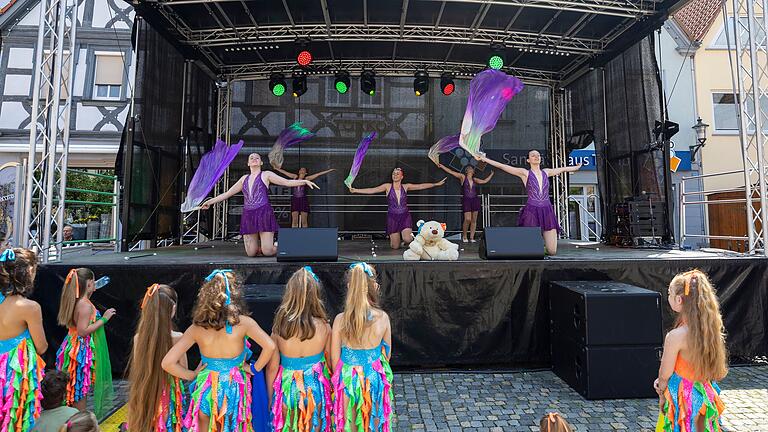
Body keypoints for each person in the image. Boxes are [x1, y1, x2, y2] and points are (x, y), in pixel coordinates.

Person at [161, 269, 276, 432]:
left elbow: (167, 363)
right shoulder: (244, 323)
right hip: (232, 391)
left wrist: (192, 375)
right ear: (234, 296)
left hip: (206, 391)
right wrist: (253, 369)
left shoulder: (196, 328)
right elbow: (270, 346)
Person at [201, 153, 319, 257]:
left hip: (263, 213)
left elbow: (286, 182)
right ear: (248, 163)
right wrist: (209, 202)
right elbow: (227, 194)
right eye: (251, 158)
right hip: (249, 216)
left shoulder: (266, 174)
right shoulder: (243, 179)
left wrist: (304, 181)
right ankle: (260, 247)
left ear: (261, 162)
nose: (254, 159)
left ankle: (287, 246)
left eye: (257, 157)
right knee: (251, 253)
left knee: (267, 251)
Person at [655, 269, 728, 432]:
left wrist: (661, 389)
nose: (668, 297)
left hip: (683, 398)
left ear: (679, 300)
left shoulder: (675, 336)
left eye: (669, 293)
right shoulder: (710, 330)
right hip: (704, 395)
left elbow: (664, 373)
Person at [266, 266, 332, 432]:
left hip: (287, 389)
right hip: (314, 388)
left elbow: (272, 368)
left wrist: (269, 398)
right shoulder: (324, 327)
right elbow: (331, 363)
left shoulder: (279, 327)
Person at [477, 150, 581, 255]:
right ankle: (537, 249)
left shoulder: (546, 172)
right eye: (533, 155)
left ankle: (543, 249)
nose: (536, 157)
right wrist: (484, 159)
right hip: (532, 210)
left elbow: (562, 169)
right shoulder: (525, 173)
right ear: (528, 160)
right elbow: (502, 166)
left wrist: (575, 168)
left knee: (552, 251)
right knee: (531, 248)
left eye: (538, 155)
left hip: (547, 210)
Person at [331, 262, 393, 431]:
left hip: (348, 381)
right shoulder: (383, 318)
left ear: (350, 286)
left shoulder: (339, 320)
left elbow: (335, 360)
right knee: (373, 425)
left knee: (349, 425)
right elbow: (386, 355)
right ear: (374, 287)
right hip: (373, 380)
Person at [126, 284, 187, 432]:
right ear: (172, 309)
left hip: (144, 391)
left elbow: (138, 367)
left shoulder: (138, 337)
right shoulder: (178, 338)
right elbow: (183, 370)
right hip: (168, 393)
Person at [56, 268, 116, 413]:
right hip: (79, 351)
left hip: (72, 346)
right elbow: (83, 331)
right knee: (79, 390)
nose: (95, 285)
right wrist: (104, 319)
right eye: (93, 282)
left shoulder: (78, 301)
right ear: (89, 284)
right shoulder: (85, 305)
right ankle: (79, 421)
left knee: (76, 389)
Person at [0, 248, 47, 431]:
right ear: (28, 273)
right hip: (14, 379)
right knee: (14, 422)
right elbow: (41, 347)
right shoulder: (29, 307)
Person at [349, 167, 446, 249]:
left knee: (407, 238)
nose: (395, 175)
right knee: (395, 246)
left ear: (402, 176)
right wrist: (356, 190)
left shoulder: (406, 186)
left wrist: (436, 184)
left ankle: (417, 242)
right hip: (392, 217)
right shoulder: (387, 186)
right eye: (393, 174)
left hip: (405, 216)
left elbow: (421, 186)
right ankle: (401, 242)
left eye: (397, 174)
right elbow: (373, 190)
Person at [434, 163, 494, 242]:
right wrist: (442, 166)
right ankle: (465, 236)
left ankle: (472, 238)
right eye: (468, 168)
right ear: (466, 171)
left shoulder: (475, 179)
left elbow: (484, 181)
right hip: (467, 200)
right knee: (467, 219)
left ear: (473, 171)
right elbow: (451, 172)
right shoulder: (462, 177)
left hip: (475, 200)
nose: (470, 169)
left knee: (474, 220)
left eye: (471, 168)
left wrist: (492, 174)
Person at [271, 165, 335, 228]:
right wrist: (276, 168)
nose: (302, 170)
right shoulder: (294, 177)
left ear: (306, 173)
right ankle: (294, 235)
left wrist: (329, 170)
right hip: (295, 199)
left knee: (304, 221)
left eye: (303, 169)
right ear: (299, 172)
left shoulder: (307, 179)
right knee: (294, 220)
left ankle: (305, 236)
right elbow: (285, 173)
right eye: (301, 169)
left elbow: (318, 174)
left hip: (303, 200)